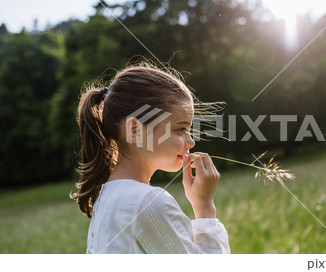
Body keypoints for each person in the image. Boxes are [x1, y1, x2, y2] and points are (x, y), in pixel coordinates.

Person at [70, 63, 230, 254]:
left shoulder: (107, 197)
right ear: (135, 130)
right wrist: (204, 208)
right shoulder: (147, 202)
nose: (191, 141)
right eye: (181, 129)